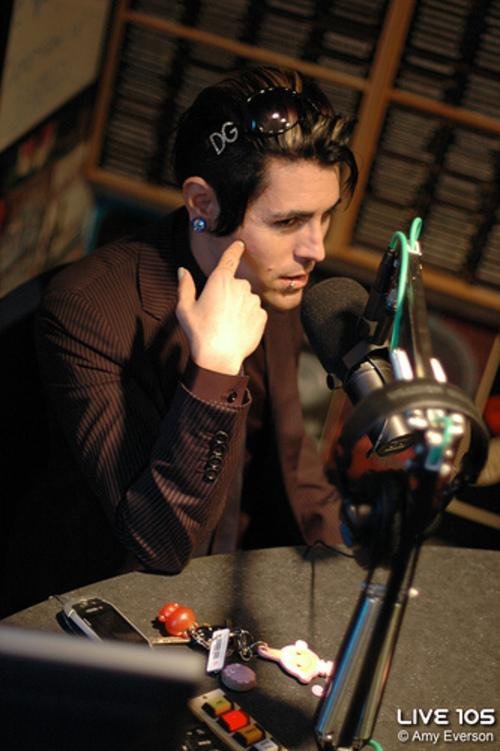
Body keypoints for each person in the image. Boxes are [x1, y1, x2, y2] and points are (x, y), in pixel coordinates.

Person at [35, 66, 358, 581]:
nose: (316, 249)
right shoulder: (87, 309)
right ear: (202, 203)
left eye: (325, 215)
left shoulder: (273, 275)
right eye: (288, 222)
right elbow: (158, 543)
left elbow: (291, 457)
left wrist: (345, 569)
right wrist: (216, 371)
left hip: (238, 574)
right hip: (125, 595)